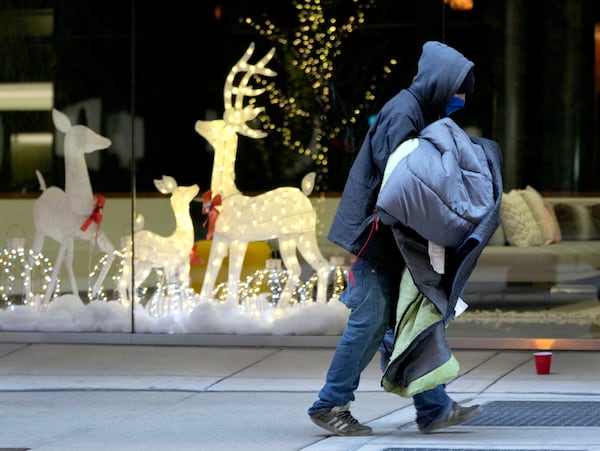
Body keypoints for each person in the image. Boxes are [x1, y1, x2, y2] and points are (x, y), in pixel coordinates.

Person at [308, 41, 484, 436]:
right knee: (371, 323)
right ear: (440, 83)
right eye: (459, 89)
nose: (462, 98)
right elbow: (401, 182)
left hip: (392, 240)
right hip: (376, 239)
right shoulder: (404, 112)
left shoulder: (420, 110)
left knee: (406, 322)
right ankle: (329, 404)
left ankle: (434, 408)